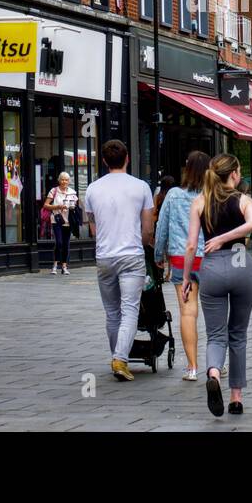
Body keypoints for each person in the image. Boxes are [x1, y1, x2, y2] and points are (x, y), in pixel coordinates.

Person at [182, 153, 252, 417]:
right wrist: (227, 238)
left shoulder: (200, 201)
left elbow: (191, 245)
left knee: (215, 334)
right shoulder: (244, 200)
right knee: (238, 333)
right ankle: (236, 398)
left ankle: (213, 374)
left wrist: (186, 277)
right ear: (235, 174)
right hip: (241, 264)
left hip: (212, 268)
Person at [84, 140, 155, 381]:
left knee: (112, 312)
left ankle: (117, 357)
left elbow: (93, 227)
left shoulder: (92, 189)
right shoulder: (141, 187)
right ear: (127, 159)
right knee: (129, 309)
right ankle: (120, 359)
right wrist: (142, 244)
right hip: (132, 254)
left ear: (104, 161)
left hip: (105, 256)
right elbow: (148, 228)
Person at [154, 151, 208, 381]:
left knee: (187, 312)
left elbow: (162, 227)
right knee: (215, 312)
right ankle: (218, 364)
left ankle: (192, 367)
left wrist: (158, 254)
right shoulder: (212, 195)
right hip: (210, 258)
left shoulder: (174, 194)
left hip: (181, 258)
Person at [43, 171, 79, 275]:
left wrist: (73, 207)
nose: (64, 182)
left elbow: (76, 206)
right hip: (57, 220)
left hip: (68, 221)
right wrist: (58, 206)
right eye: (62, 179)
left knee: (66, 244)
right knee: (59, 243)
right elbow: (46, 205)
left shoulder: (72, 192)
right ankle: (55, 265)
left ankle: (64, 266)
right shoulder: (54, 191)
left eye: (66, 180)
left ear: (69, 181)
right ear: (59, 180)